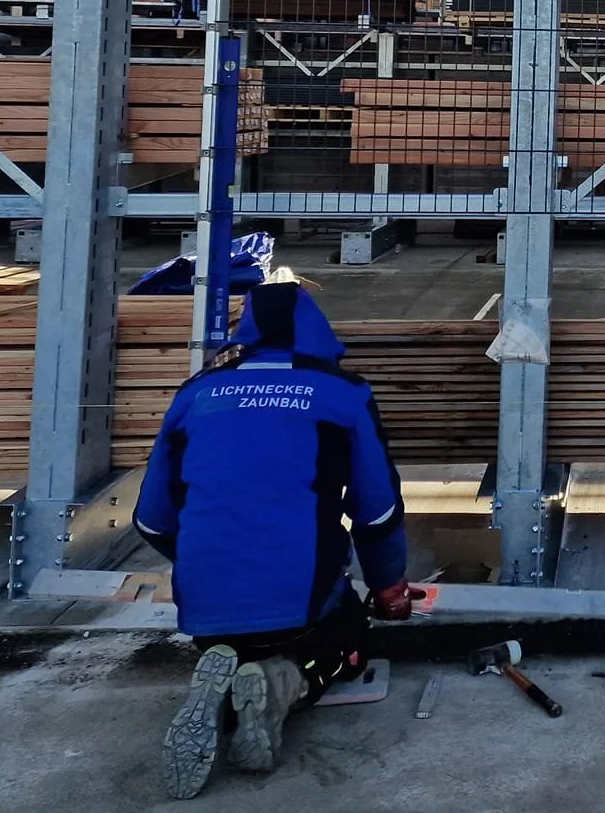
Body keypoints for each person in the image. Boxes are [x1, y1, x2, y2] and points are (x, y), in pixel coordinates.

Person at [133, 280, 416, 800]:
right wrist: (389, 587)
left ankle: (224, 683)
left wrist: (203, 560)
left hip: (203, 605)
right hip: (299, 596)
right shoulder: (343, 393)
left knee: (238, 636)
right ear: (318, 331)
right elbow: (377, 511)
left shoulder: (195, 393)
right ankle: (289, 685)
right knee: (347, 638)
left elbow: (151, 520)